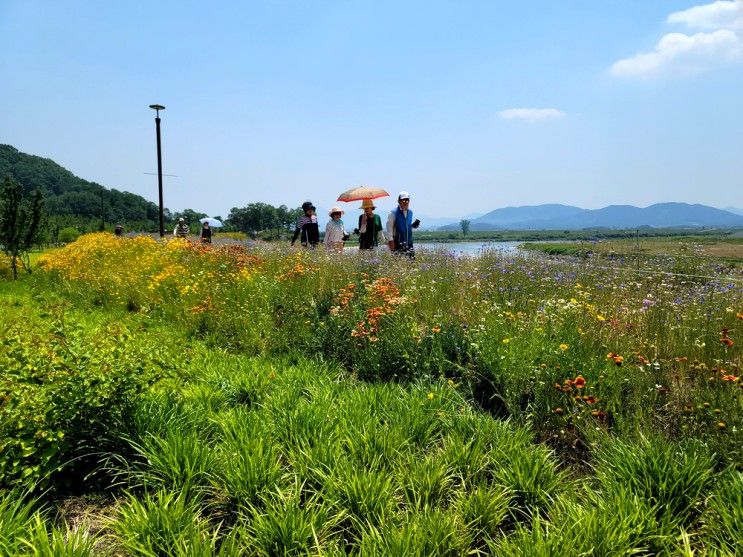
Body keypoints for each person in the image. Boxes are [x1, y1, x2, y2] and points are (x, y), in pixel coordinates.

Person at [387, 191, 420, 256]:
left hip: (409, 243)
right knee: (397, 263)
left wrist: (413, 225)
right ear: (398, 201)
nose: (405, 202)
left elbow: (406, 226)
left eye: (407, 200)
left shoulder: (410, 212)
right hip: (397, 243)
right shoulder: (393, 213)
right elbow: (389, 228)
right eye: (403, 200)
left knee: (411, 263)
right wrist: (390, 240)